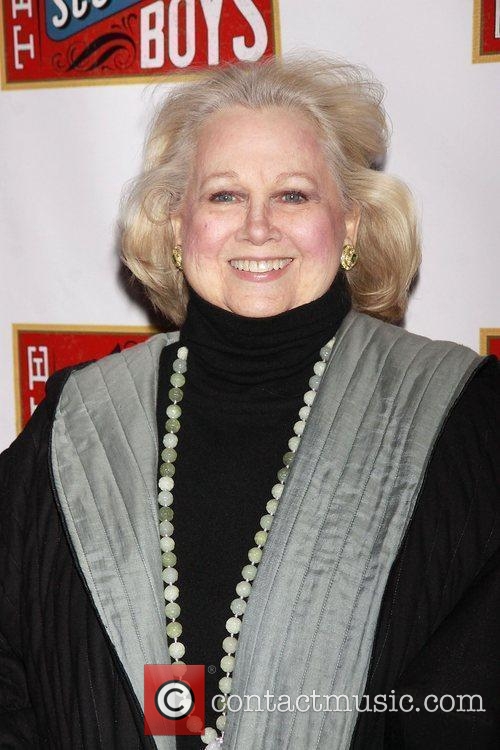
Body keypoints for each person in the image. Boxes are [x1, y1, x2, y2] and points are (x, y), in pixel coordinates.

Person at [1, 54, 499, 750]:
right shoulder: (76, 425)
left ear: (351, 226)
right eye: (224, 195)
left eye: (293, 195)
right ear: (176, 226)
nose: (258, 227)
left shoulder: (464, 419)